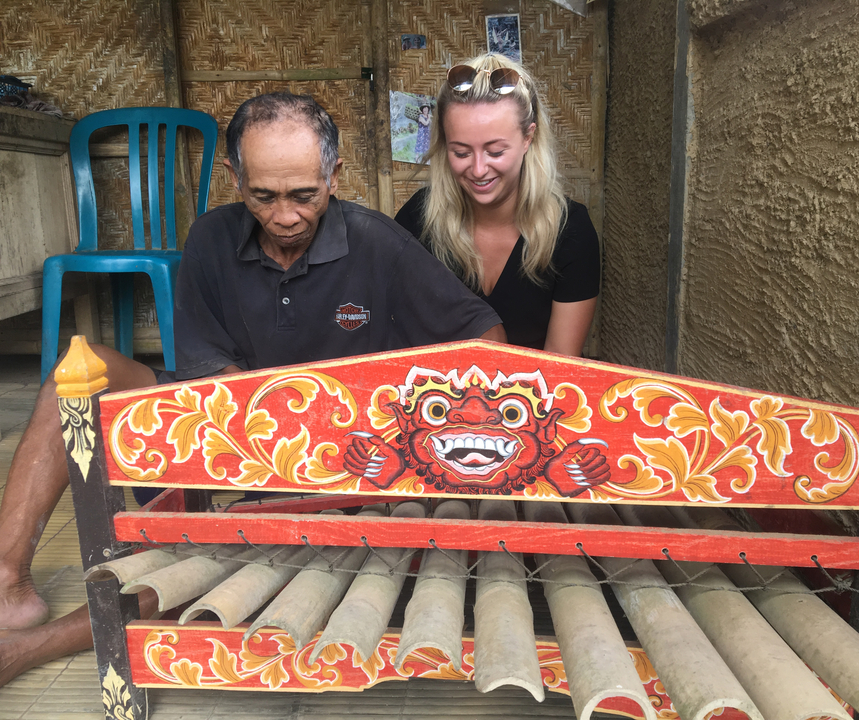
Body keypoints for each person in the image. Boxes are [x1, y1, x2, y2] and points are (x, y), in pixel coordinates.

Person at [0, 91, 504, 686]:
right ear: (234, 176)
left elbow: (486, 339)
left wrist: (398, 418)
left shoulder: (376, 244)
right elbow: (209, 380)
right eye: (263, 196)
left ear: (334, 175)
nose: (285, 215)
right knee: (75, 378)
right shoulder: (213, 237)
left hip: (337, 469)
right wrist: (254, 445)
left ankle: (28, 648)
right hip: (223, 440)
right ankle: (9, 584)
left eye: (304, 196)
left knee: (213, 571)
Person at [395, 54, 600, 355]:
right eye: (461, 153)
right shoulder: (418, 220)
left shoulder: (570, 232)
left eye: (495, 151)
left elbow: (559, 370)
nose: (478, 170)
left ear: (529, 136)